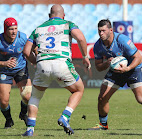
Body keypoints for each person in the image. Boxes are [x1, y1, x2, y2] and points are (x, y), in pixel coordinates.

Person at [22, 4, 91, 136]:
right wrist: (85, 57)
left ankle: (30, 129)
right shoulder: (68, 24)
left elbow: (26, 51)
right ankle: (65, 117)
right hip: (61, 63)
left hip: (43, 64)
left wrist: (36, 61)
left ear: (49, 16)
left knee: (35, 96)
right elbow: (81, 38)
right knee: (78, 90)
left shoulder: (38, 28)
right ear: (63, 15)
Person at [89, 19, 142, 130]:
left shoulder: (122, 40)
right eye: (99, 31)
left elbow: (138, 58)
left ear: (111, 30)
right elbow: (98, 67)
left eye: (103, 31)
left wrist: (128, 68)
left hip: (133, 69)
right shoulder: (98, 46)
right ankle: (103, 124)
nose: (101, 33)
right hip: (116, 72)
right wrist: (107, 63)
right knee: (102, 98)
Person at [0, 17, 32, 128]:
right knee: (3, 101)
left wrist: (34, 58)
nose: (14, 31)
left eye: (15, 28)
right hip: (4, 71)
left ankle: (23, 114)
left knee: (27, 96)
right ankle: (9, 120)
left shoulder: (22, 37)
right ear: (5, 29)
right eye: (11, 29)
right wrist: (4, 63)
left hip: (20, 69)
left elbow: (32, 48)